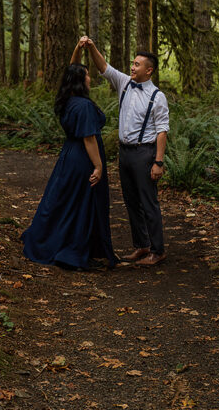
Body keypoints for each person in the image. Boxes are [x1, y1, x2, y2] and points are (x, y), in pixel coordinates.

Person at [21, 39, 117, 270]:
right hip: (83, 158)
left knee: (65, 201)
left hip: (69, 156)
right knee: (81, 203)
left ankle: (60, 240)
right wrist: (98, 166)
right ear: (79, 81)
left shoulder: (67, 101)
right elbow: (89, 138)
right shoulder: (82, 106)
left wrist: (78, 48)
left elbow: (70, 70)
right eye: (86, 75)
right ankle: (72, 246)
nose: (89, 77)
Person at [81, 36, 169, 266]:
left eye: (137, 64)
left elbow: (162, 131)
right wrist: (91, 46)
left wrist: (158, 162)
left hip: (144, 153)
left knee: (148, 201)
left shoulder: (157, 97)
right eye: (132, 63)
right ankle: (142, 245)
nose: (132, 67)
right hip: (125, 153)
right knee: (131, 201)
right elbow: (104, 68)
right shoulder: (125, 83)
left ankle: (158, 251)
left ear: (149, 71)